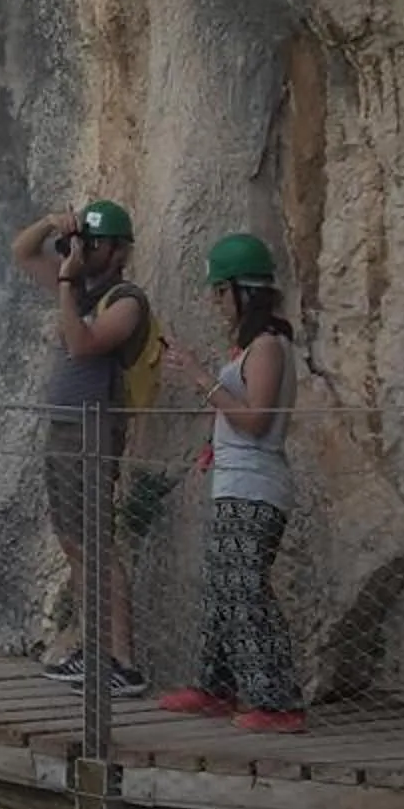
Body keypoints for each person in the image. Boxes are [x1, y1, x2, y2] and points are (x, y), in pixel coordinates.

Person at [161, 234, 304, 734]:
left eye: (220, 292)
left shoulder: (267, 346)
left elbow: (256, 420)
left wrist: (201, 378)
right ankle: (216, 686)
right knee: (223, 585)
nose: (215, 302)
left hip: (256, 485)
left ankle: (278, 701)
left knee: (244, 588)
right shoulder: (253, 346)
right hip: (236, 480)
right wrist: (212, 444)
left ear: (243, 291)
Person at [11, 198, 151, 695]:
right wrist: (53, 224)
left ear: (116, 250)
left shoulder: (126, 301)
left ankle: (124, 662)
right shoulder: (83, 290)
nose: (82, 251)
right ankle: (95, 650)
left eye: (92, 244)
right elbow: (23, 252)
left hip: (95, 429)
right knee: (74, 542)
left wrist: (69, 283)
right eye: (81, 242)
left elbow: (83, 346)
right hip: (65, 428)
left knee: (96, 543)